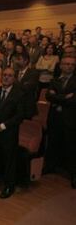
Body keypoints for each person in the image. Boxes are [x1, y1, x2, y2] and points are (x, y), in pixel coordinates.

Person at [0, 67, 24, 199]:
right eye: (4, 75)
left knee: (9, 160)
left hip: (9, 132)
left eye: (10, 75)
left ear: (14, 78)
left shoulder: (19, 94)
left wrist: (3, 125)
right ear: (1, 77)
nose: (6, 77)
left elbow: (19, 115)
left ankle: (9, 185)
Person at [45, 55, 76, 188]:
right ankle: (50, 167)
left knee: (71, 147)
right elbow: (48, 96)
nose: (69, 66)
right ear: (61, 65)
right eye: (66, 64)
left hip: (70, 119)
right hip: (54, 118)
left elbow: (73, 100)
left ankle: (74, 174)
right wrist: (64, 97)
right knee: (53, 143)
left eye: (72, 64)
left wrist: (56, 97)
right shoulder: (54, 80)